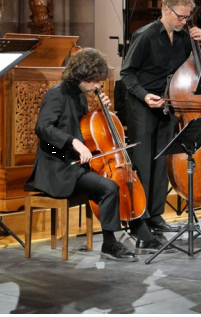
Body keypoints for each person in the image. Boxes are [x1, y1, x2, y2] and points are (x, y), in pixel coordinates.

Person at [24, 48, 170, 260]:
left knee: (121, 181)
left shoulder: (81, 97)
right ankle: (110, 244)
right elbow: (43, 127)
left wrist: (101, 111)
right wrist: (72, 141)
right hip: (58, 170)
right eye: (94, 81)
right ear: (81, 75)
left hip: (77, 166)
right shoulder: (56, 94)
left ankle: (140, 233)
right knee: (109, 187)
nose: (97, 86)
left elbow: (85, 128)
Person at [121, 0, 201, 235]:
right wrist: (144, 95)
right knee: (142, 162)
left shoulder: (185, 38)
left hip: (169, 103)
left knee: (161, 161)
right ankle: (138, 218)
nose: (184, 21)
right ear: (165, 10)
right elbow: (127, 73)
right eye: (180, 16)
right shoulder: (145, 35)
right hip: (142, 104)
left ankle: (155, 215)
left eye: (187, 17)